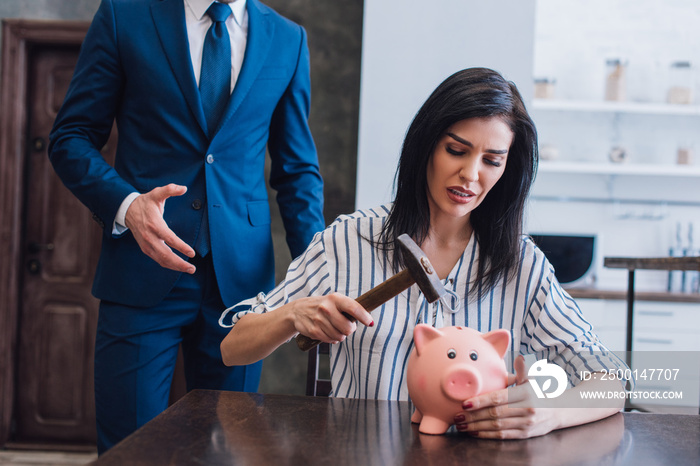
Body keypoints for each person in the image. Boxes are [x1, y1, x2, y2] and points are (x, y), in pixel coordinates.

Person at [219, 67, 630, 439]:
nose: (470, 175)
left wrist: (550, 412)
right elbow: (233, 347)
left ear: (508, 169)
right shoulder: (346, 240)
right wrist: (292, 315)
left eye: (492, 160)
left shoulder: (522, 265)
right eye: (456, 150)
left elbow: (614, 381)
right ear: (426, 146)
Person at [48, 0, 324, 453]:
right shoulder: (125, 15)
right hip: (141, 271)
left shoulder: (287, 39)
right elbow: (71, 137)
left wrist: (318, 270)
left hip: (243, 290)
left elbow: (296, 172)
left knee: (228, 449)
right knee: (130, 450)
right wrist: (129, 204)